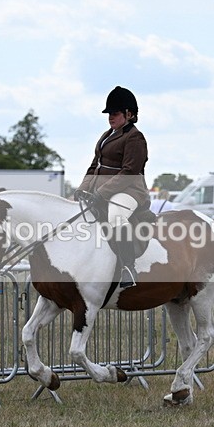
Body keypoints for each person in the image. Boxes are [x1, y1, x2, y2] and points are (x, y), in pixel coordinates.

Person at [74, 86, 150, 288]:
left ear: (129, 114)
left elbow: (129, 172)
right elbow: (94, 166)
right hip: (102, 191)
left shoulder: (135, 137)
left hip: (129, 191)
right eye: (109, 114)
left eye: (115, 113)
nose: (110, 117)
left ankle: (128, 267)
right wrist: (82, 189)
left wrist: (101, 193)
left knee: (116, 216)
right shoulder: (107, 135)